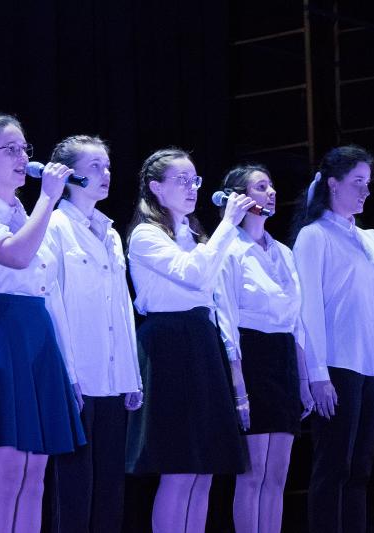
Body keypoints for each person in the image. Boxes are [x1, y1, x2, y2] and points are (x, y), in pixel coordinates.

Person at [0, 114, 85, 533]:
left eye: (25, 148)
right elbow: (16, 255)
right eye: (10, 149)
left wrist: (68, 370)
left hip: (37, 335)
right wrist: (48, 199)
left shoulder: (24, 214)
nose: (22, 157)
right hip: (1, 332)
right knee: (5, 475)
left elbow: (49, 293)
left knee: (34, 478)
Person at [292, 145, 374, 533]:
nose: (366, 191)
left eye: (368, 183)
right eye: (357, 182)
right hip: (337, 365)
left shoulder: (371, 239)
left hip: (373, 367)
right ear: (333, 184)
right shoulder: (314, 236)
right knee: (332, 466)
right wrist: (317, 375)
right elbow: (308, 309)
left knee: (361, 469)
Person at [124, 148, 253, 533]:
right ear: (156, 187)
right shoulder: (146, 235)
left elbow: (213, 294)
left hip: (199, 341)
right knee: (180, 468)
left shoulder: (194, 235)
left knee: (203, 470)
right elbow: (193, 274)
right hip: (169, 345)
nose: (191, 187)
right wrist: (228, 225)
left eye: (194, 180)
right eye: (181, 180)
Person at [42, 135, 143, 533]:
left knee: (110, 491)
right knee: (74, 489)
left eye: (107, 166)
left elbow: (122, 306)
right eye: (95, 167)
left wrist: (132, 375)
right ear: (71, 176)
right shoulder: (54, 225)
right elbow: (53, 303)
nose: (106, 174)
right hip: (78, 377)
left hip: (113, 379)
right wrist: (67, 375)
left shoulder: (111, 233)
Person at [214, 164, 313, 533]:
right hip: (251, 357)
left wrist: (303, 379)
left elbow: (297, 321)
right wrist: (239, 387)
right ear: (239, 197)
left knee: (278, 474)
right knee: (253, 472)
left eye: (271, 186)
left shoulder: (283, 252)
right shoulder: (229, 249)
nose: (271, 192)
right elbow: (226, 319)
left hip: (283, 358)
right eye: (260, 186)